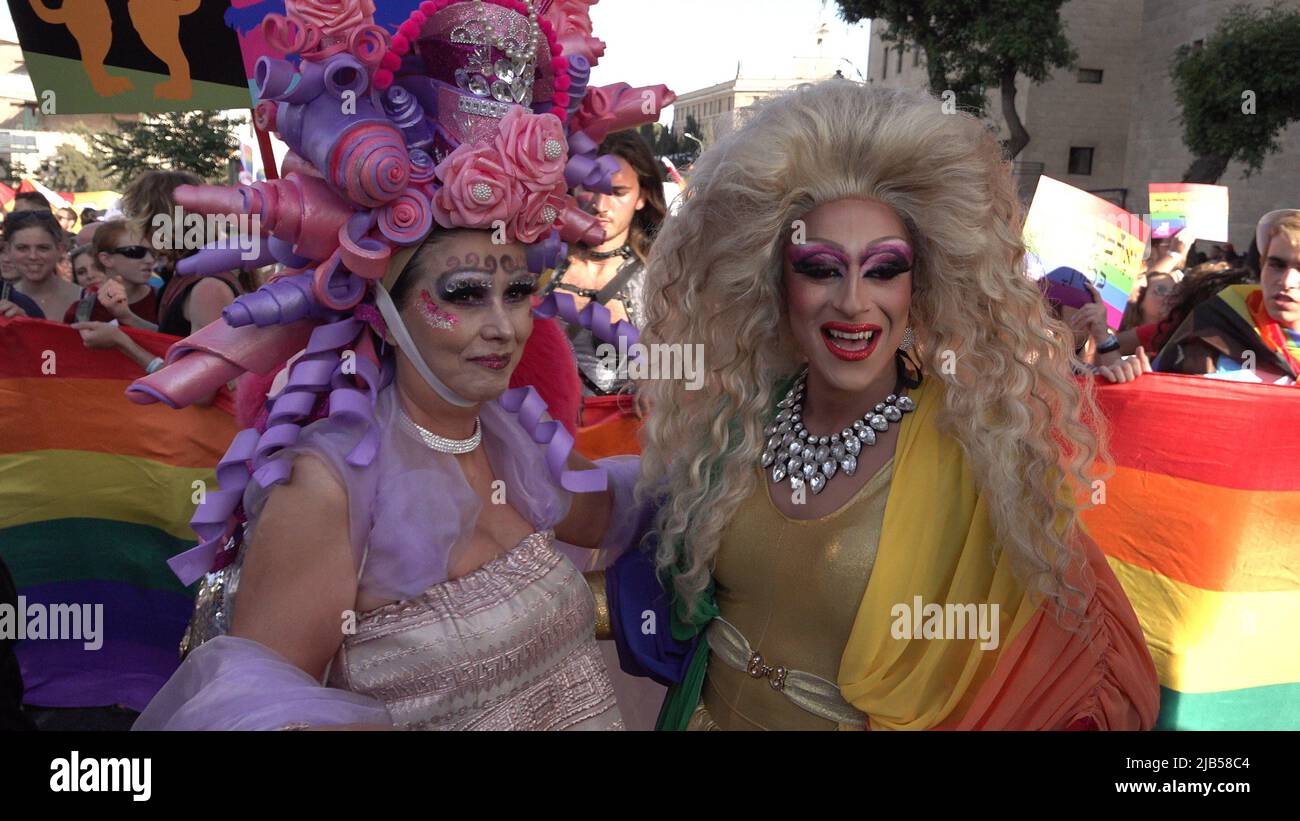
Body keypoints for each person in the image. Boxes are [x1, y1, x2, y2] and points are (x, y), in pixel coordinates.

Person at [132, 0, 673, 731]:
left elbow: (623, 504)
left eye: (518, 291)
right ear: (386, 307)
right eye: (463, 293)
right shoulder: (326, 487)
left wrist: (730, 428)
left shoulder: (515, 439)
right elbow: (262, 709)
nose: (503, 325)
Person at [617, 81, 1158, 730]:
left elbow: (1074, 669)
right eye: (820, 267)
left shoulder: (984, 456)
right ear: (774, 279)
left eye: (882, 269)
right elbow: (641, 517)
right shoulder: (739, 422)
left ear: (920, 285)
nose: (852, 300)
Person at [542, 129, 666, 401]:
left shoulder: (664, 278)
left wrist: (660, 386)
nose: (600, 205)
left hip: (625, 439)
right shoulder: (537, 265)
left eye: (617, 192)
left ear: (642, 197)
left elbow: (697, 364)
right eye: (590, 188)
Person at [1155, 210, 1300, 384]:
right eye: (1276, 265)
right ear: (1262, 265)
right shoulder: (1211, 329)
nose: (1286, 281)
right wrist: (1129, 374)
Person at [63, 219, 160, 327]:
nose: (149, 260)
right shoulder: (80, 313)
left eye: (152, 252)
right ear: (106, 259)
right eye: (135, 251)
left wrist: (128, 318)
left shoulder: (166, 303)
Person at [4, 210, 78, 321]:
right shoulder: (4, 299)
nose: (33, 256)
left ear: (60, 249)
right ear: (8, 250)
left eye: (43, 248)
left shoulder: (86, 301)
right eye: (22, 248)